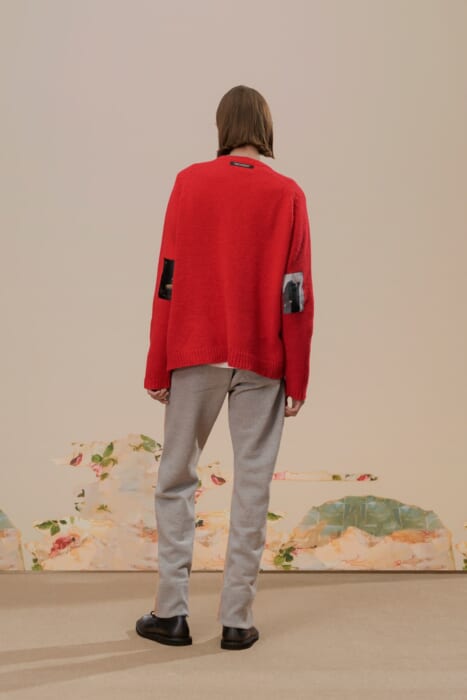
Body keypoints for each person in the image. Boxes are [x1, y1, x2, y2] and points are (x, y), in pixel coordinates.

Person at [135, 85, 314, 650]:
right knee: (252, 484)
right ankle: (237, 620)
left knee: (176, 478)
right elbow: (295, 291)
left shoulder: (189, 183)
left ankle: (172, 614)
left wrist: (157, 362)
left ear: (222, 127)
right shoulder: (287, 194)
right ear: (265, 128)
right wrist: (297, 371)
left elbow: (168, 275)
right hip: (262, 355)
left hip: (194, 349)